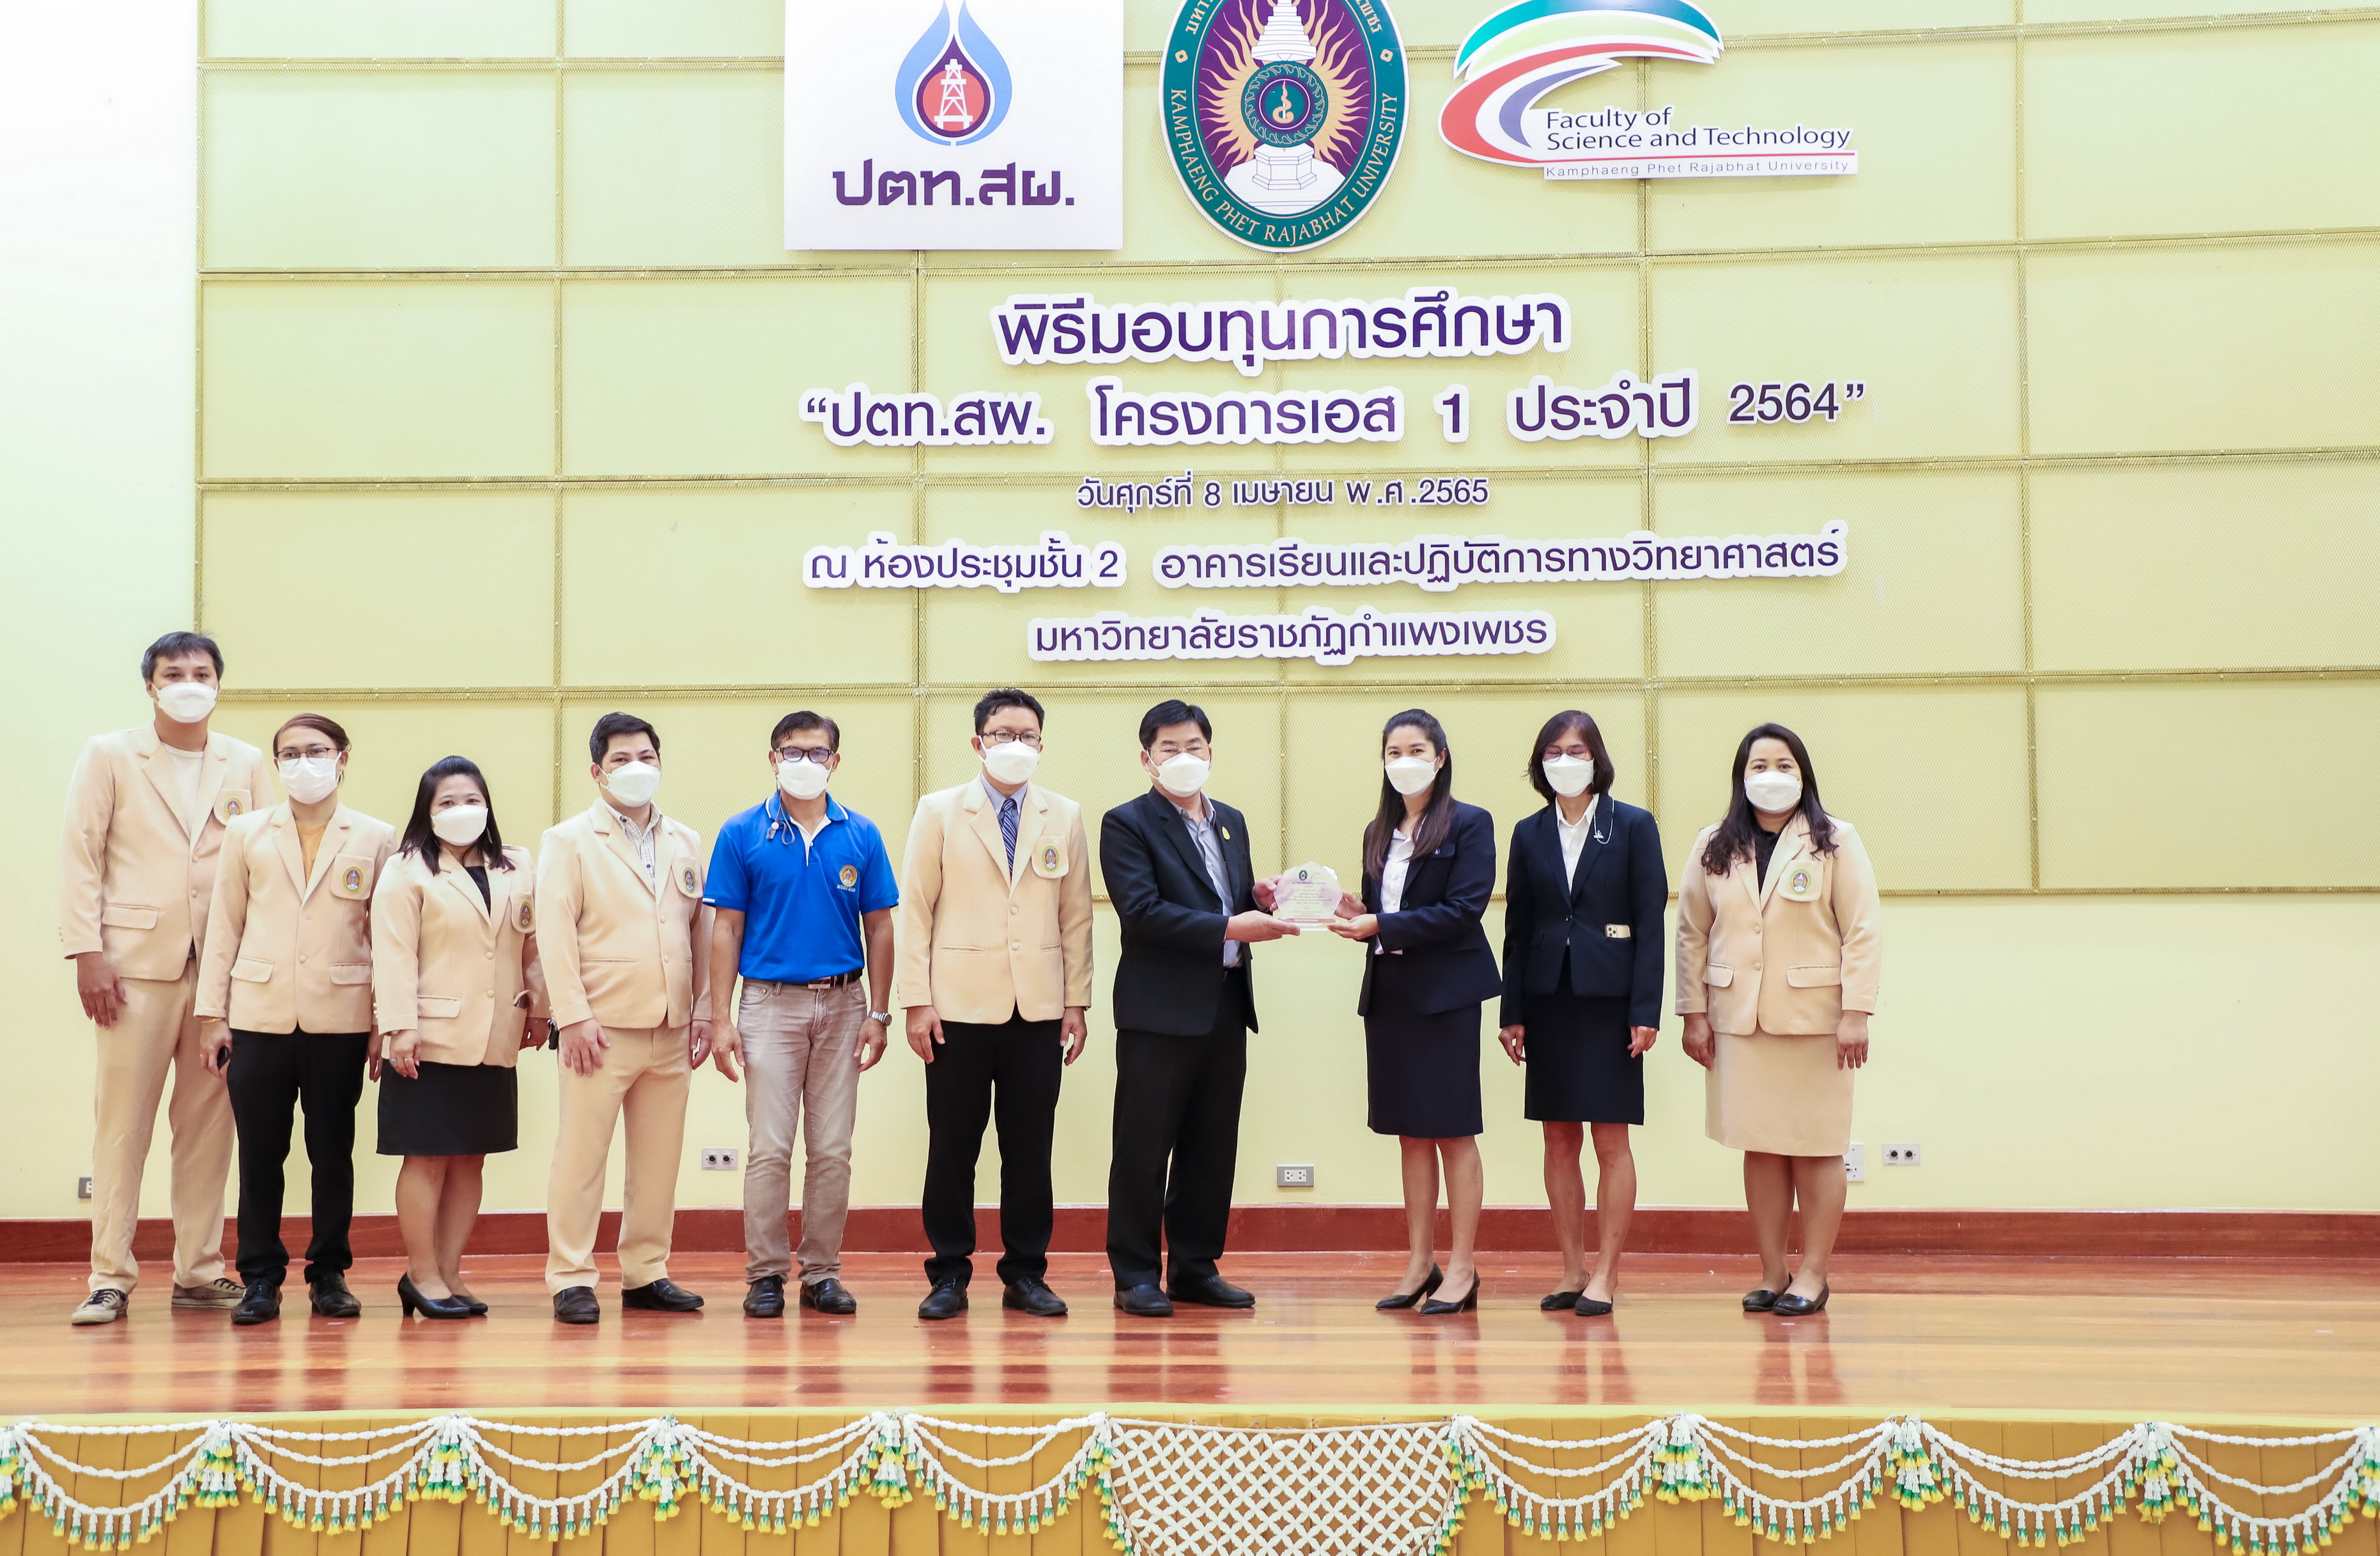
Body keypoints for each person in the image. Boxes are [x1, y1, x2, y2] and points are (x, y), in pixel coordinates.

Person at [59, 632, 271, 1325]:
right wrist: (86, 951)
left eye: (201, 673)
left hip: (220, 975)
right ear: (150, 686)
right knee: (122, 1125)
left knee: (209, 1128)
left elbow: (263, 864)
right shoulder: (110, 754)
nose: (189, 683)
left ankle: (199, 1271)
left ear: (219, 684)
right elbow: (81, 853)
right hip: (132, 971)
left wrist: (251, 970)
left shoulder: (245, 761)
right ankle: (110, 1276)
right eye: (174, 673)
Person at [896, 688, 1092, 1321]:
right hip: (955, 1010)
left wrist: (1077, 1001)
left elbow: (1076, 916)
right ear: (978, 742)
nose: (1016, 744)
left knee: (1030, 1149)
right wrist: (915, 1001)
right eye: (1003, 734)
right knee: (952, 1147)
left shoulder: (1064, 815)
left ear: (1042, 744)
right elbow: (915, 909)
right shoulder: (939, 810)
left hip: (1038, 1010)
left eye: (1027, 735)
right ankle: (948, 1273)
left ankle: (1026, 1273)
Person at [195, 715, 397, 1325]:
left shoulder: (376, 836)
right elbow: (224, 926)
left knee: (332, 1153)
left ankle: (329, 1273)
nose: (303, 762)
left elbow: (388, 939)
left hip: (340, 1018)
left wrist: (383, 1021)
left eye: (317, 750)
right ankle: (259, 1277)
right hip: (258, 1016)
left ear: (342, 759)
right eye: (290, 753)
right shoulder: (247, 832)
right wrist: (212, 1014)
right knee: (260, 1155)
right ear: (277, 763)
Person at [1098, 699, 1296, 1319]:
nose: (1184, 758)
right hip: (1158, 1012)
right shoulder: (1127, 823)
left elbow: (1228, 901)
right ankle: (1135, 1274)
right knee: (1142, 1148)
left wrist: (1259, 897)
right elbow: (1143, 912)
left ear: (1211, 753)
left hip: (1225, 1005)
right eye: (1169, 748)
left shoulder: (1230, 821)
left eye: (1194, 747)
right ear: (1147, 758)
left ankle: (1195, 1267)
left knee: (1212, 1146)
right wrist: (1233, 924)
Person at [1676, 723, 1881, 1317]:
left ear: (1803, 774)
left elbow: (1863, 930)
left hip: (1817, 1023)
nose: (1771, 775)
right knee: (1761, 1148)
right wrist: (1693, 1013)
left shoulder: (1835, 840)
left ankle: (1813, 1273)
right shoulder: (1713, 843)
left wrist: (1856, 1012)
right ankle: (1772, 1271)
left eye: (1784, 764)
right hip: (1738, 1022)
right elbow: (1691, 932)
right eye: (1758, 765)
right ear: (1741, 778)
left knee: (1817, 1149)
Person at [706, 711, 898, 1319]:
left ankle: (822, 1273)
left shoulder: (861, 834)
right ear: (773, 759)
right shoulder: (741, 833)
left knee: (833, 1148)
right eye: (793, 751)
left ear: (835, 762)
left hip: (844, 1004)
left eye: (818, 753)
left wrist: (880, 1013)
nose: (805, 763)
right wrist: (720, 1019)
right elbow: (725, 929)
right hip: (768, 1004)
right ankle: (765, 1275)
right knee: (768, 1148)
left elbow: (881, 928)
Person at [538, 713, 714, 1325]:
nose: (636, 768)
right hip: (599, 1030)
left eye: (646, 757)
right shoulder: (568, 841)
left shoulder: (686, 840)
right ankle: (570, 1276)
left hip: (672, 1027)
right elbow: (554, 934)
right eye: (621, 759)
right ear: (598, 771)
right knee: (581, 1159)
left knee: (658, 1163)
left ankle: (646, 1272)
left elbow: (701, 930)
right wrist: (572, 1016)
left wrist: (703, 1011)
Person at [1328, 709, 1501, 1316]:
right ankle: (1420, 1260)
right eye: (1394, 752)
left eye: (1417, 750)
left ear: (1440, 757)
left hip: (1446, 996)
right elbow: (1383, 908)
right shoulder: (1379, 830)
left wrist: (1381, 923)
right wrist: (1357, 912)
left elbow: (1463, 909)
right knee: (1409, 1132)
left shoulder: (1471, 823)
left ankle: (1463, 1266)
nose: (1405, 762)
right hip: (1392, 995)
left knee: (1453, 1130)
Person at [1495, 711, 1666, 1319]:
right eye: (1553, 752)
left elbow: (1650, 923)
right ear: (1539, 763)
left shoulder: (1633, 825)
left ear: (1597, 758)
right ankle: (1572, 1268)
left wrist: (1646, 1009)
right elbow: (1517, 928)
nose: (1565, 761)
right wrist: (1512, 1011)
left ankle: (1608, 1273)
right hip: (1548, 1001)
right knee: (1558, 1137)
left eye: (1576, 750)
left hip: (1611, 1003)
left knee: (1611, 1139)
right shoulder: (1529, 832)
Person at [369, 756, 543, 1319]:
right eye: (447, 802)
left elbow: (531, 945)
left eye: (472, 800)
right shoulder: (406, 870)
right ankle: (420, 1273)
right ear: (427, 811)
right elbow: (393, 956)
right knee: (427, 1159)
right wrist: (399, 1028)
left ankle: (448, 1271)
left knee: (471, 1159)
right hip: (428, 1038)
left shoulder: (516, 864)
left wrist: (541, 1010)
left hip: (496, 1035)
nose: (462, 810)